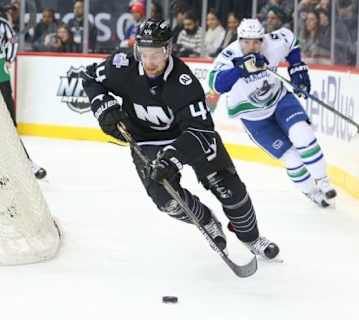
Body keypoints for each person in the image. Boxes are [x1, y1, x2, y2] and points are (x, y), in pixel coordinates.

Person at [82, 19, 279, 259]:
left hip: (190, 137)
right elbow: (89, 77)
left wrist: (173, 157)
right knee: (167, 201)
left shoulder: (185, 83)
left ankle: (252, 238)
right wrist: (104, 106)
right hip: (145, 140)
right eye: (144, 54)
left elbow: (202, 132)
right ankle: (206, 221)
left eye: (157, 54)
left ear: (169, 50)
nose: (150, 61)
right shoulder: (121, 65)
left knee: (230, 190)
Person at [208, 18, 336, 207]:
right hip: (254, 118)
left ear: (262, 39)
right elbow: (216, 84)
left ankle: (323, 181)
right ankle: (311, 191)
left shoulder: (273, 42)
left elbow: (291, 41)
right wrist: (240, 69)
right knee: (291, 158)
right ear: (239, 39)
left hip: (280, 101)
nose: (251, 46)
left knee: (302, 134)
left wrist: (297, 68)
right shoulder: (229, 55)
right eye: (246, 41)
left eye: (257, 41)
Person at [0, 0, 46, 179]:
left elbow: (12, 42)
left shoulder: (3, 25)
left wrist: (8, 59)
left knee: (6, 118)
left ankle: (25, 163)